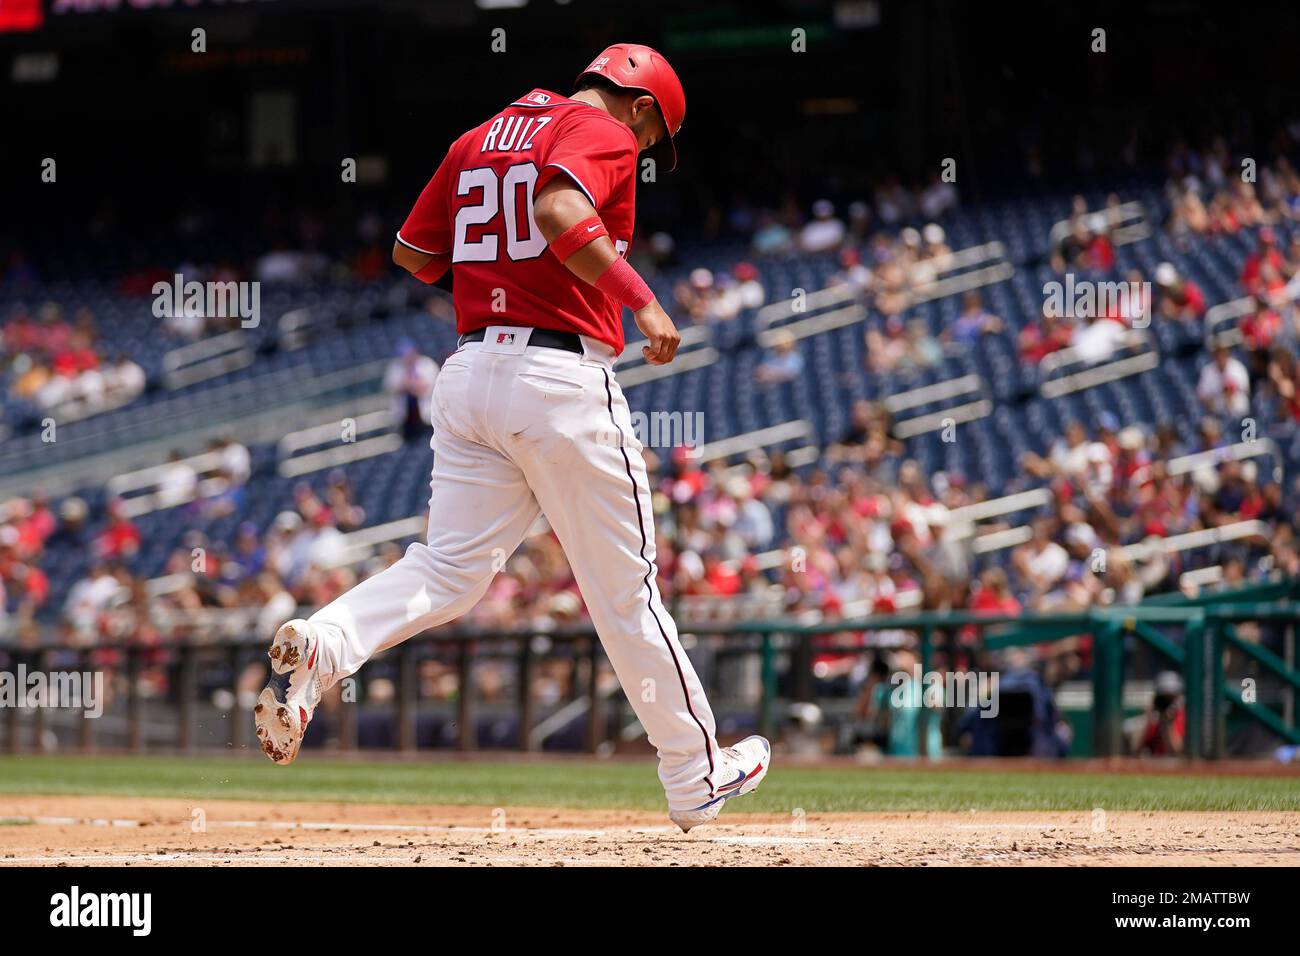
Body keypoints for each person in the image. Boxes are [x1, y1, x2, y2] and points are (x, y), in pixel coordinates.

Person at [254, 44, 769, 833]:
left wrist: (503, 286)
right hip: (558, 378)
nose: (647, 151)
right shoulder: (597, 127)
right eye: (653, 135)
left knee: (449, 568)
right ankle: (694, 772)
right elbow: (560, 212)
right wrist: (641, 301)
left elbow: (413, 252)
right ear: (639, 105)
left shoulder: (482, 134)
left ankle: (324, 645)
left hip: (467, 375)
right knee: (624, 593)